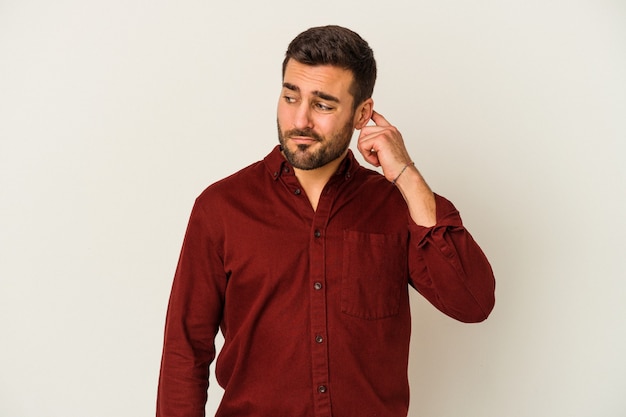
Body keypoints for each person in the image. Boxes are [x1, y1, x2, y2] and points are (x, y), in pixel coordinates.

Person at [157, 25, 495, 417]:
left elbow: (472, 302)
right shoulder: (222, 208)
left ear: (362, 113)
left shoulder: (395, 206)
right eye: (289, 97)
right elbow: (185, 351)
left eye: (323, 105)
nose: (300, 120)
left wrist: (406, 173)